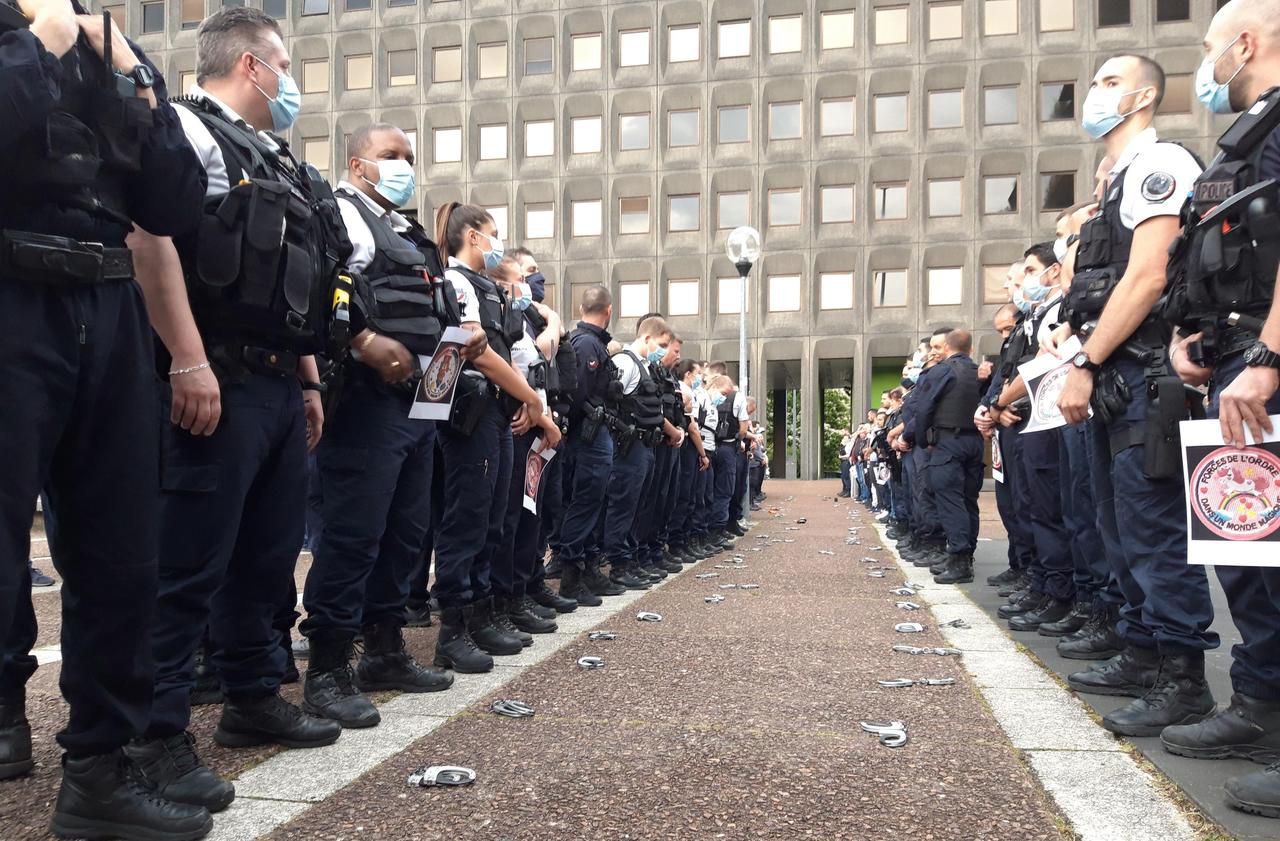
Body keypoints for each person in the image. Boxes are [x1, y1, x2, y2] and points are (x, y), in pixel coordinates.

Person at [125, 7, 351, 814]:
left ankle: (254, 696)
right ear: (253, 65)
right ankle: (150, 737)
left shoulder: (277, 159)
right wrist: (186, 357)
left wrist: (310, 381)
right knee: (187, 564)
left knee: (264, 557)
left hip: (276, 385)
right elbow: (146, 239)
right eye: (284, 67)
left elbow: (297, 283)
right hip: (208, 374)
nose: (290, 84)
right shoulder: (186, 132)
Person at [0, 0, 212, 835]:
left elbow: (174, 204)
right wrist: (44, 42)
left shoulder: (110, 47)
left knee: (123, 552)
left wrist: (132, 74)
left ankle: (99, 770)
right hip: (11, 296)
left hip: (105, 306)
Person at [1049, 54, 1216, 738]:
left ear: (1146, 95)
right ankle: (1145, 652)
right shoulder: (1115, 185)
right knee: (1119, 532)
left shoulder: (1162, 165)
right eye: (1094, 83)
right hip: (1120, 384)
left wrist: (1084, 361)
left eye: (1110, 82)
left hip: (1142, 377)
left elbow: (1148, 277)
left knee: (1153, 536)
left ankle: (1184, 682)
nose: (1095, 92)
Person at [300, 124, 481, 728]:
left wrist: (465, 339)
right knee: (354, 534)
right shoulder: (342, 216)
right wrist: (365, 338)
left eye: (409, 156)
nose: (403, 166)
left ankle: (384, 649)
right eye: (390, 156)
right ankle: (328, 668)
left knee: (406, 532)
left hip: (421, 404)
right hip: (368, 404)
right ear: (357, 164)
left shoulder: (411, 235)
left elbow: (433, 315)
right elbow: (317, 286)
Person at [1159, 0, 1280, 817]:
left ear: (1245, 43)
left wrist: (1269, 357)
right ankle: (1261, 708)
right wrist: (1193, 339)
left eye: (1210, 49)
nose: (1207, 66)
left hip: (1261, 363)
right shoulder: (1252, 131)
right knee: (1246, 547)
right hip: (1230, 360)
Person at [431, 203, 546, 672]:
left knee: (493, 517)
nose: (497, 242)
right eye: (493, 233)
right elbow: (480, 355)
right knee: (467, 519)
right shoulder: (456, 280)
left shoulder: (489, 289)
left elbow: (511, 353)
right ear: (474, 236)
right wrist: (530, 399)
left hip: (496, 414)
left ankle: (480, 613)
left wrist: (524, 398)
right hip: (470, 415)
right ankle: (453, 628)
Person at [991, 244, 1076, 629]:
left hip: (1047, 417)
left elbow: (1040, 367)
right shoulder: (1034, 320)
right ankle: (1043, 583)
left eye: (1026, 272)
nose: (1019, 283)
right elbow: (1010, 372)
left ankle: (1063, 592)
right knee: (1031, 507)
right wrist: (992, 405)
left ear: (1054, 271)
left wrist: (999, 403)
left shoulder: (1060, 313)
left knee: (1056, 510)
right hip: (1025, 419)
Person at [485, 256, 565, 633]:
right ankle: (507, 599)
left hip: (535, 427)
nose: (530, 285)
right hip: (521, 425)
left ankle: (520, 593)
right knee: (511, 520)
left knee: (529, 517)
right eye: (522, 277)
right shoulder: (505, 319)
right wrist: (541, 416)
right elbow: (517, 373)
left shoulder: (521, 320)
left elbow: (541, 364)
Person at [555, 286, 624, 605]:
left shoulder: (594, 343)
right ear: (608, 310)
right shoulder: (586, 344)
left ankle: (588, 569)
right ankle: (572, 576)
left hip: (597, 435)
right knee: (583, 503)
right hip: (588, 436)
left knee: (593, 502)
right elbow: (576, 394)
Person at [602, 317, 676, 590]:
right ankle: (619, 565)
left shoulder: (646, 367)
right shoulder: (625, 363)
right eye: (662, 344)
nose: (663, 350)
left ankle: (630, 560)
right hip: (629, 446)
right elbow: (612, 405)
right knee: (623, 506)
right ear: (647, 338)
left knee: (638, 507)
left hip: (646, 445)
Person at [905, 330, 985, 585]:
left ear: (947, 348)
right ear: (970, 349)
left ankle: (959, 559)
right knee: (969, 500)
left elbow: (925, 408)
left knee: (950, 501)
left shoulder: (941, 371)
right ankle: (967, 554)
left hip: (949, 442)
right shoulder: (979, 372)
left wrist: (922, 440)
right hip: (975, 441)